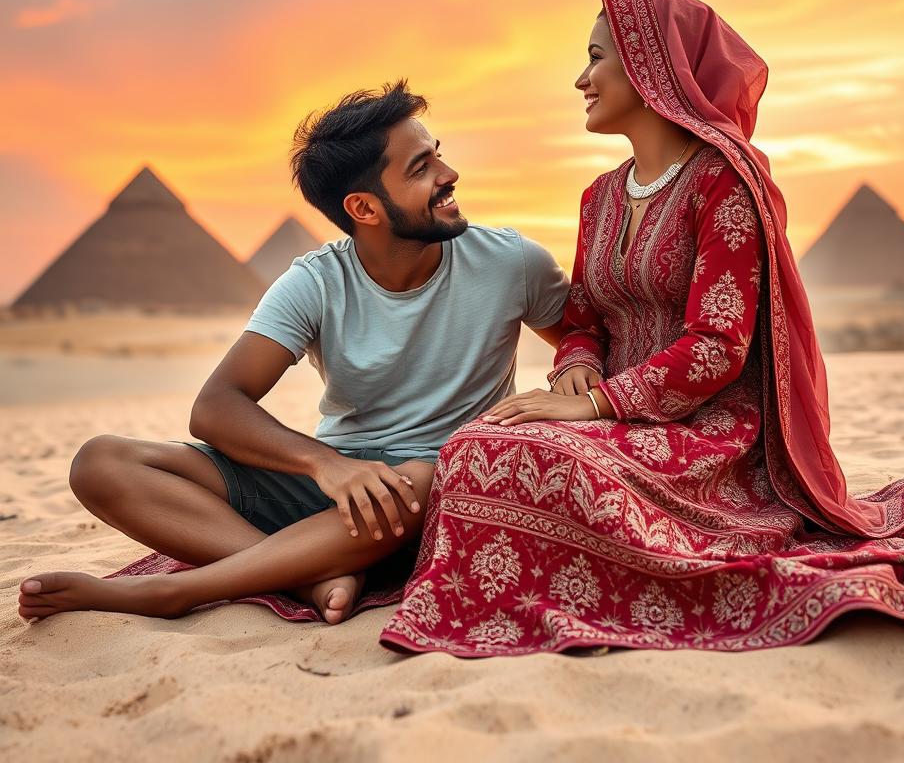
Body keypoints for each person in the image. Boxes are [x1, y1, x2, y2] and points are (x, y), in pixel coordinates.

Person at [379, 0, 904, 656]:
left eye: (596, 57)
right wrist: (575, 368)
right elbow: (583, 319)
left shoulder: (723, 182)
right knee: (473, 445)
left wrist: (598, 403)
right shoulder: (598, 197)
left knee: (534, 458)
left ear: (650, 66)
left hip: (710, 436)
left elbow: (718, 347)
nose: (580, 78)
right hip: (614, 423)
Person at [17, 82, 569, 624]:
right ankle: (305, 575)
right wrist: (327, 465)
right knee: (102, 461)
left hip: (435, 492)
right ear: (364, 207)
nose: (448, 177)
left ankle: (178, 591)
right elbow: (215, 407)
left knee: (428, 476)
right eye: (420, 168)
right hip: (332, 491)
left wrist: (579, 370)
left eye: (437, 156)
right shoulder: (315, 281)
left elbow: (586, 340)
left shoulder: (512, 264)